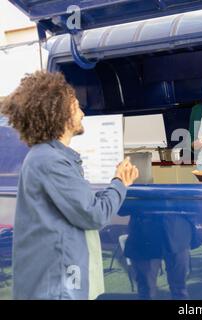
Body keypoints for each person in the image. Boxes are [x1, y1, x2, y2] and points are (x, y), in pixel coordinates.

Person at [0, 71, 139, 300]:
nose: (83, 113)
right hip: (56, 285)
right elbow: (93, 214)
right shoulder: (51, 161)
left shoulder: (48, 157)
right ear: (62, 114)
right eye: (76, 107)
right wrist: (120, 182)